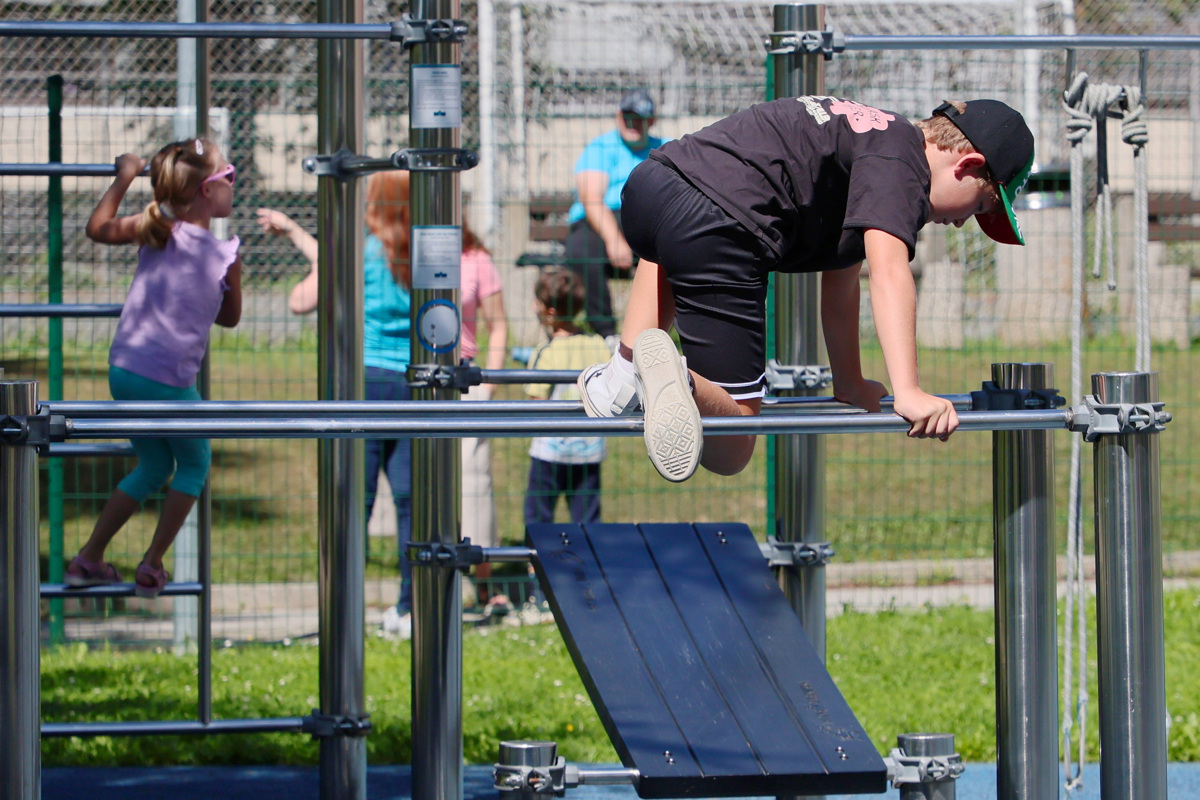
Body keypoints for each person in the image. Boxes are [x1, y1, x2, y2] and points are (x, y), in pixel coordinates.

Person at [577, 97, 1035, 483]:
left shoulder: (871, 140)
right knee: (732, 447)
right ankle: (677, 378)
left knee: (670, 242)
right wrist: (908, 390)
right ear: (968, 165)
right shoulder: (904, 164)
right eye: (978, 206)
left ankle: (622, 373)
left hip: (654, 186)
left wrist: (850, 382)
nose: (960, 222)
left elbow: (841, 284)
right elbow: (888, 272)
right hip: (722, 222)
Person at [65, 138, 243, 598]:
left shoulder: (156, 227)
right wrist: (233, 281)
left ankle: (88, 557)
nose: (233, 185)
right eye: (230, 177)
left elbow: (97, 227)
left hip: (125, 368)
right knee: (195, 463)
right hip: (168, 381)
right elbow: (228, 318)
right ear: (207, 190)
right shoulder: (224, 255)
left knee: (154, 462)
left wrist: (124, 176)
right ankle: (153, 562)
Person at [258, 171, 416, 639]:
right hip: (413, 387)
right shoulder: (420, 253)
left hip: (364, 385)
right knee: (411, 501)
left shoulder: (358, 251)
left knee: (354, 501)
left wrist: (319, 268)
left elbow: (300, 300)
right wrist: (296, 235)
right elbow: (335, 262)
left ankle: (343, 606)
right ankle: (410, 608)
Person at [564, 89, 665, 340]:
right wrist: (614, 239)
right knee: (581, 250)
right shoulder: (600, 147)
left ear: (651, 121)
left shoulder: (665, 148)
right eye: (628, 117)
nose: (633, 124)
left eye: (640, 118)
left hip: (649, 220)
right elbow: (591, 198)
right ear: (618, 116)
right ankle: (606, 335)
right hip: (601, 222)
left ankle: (657, 338)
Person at [523, 267, 613, 525]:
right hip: (589, 450)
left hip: (549, 452)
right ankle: (590, 561)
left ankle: (536, 563)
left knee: (539, 516)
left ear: (550, 312)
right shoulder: (596, 344)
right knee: (587, 519)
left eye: (537, 301)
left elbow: (536, 402)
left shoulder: (545, 352)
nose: (533, 306)